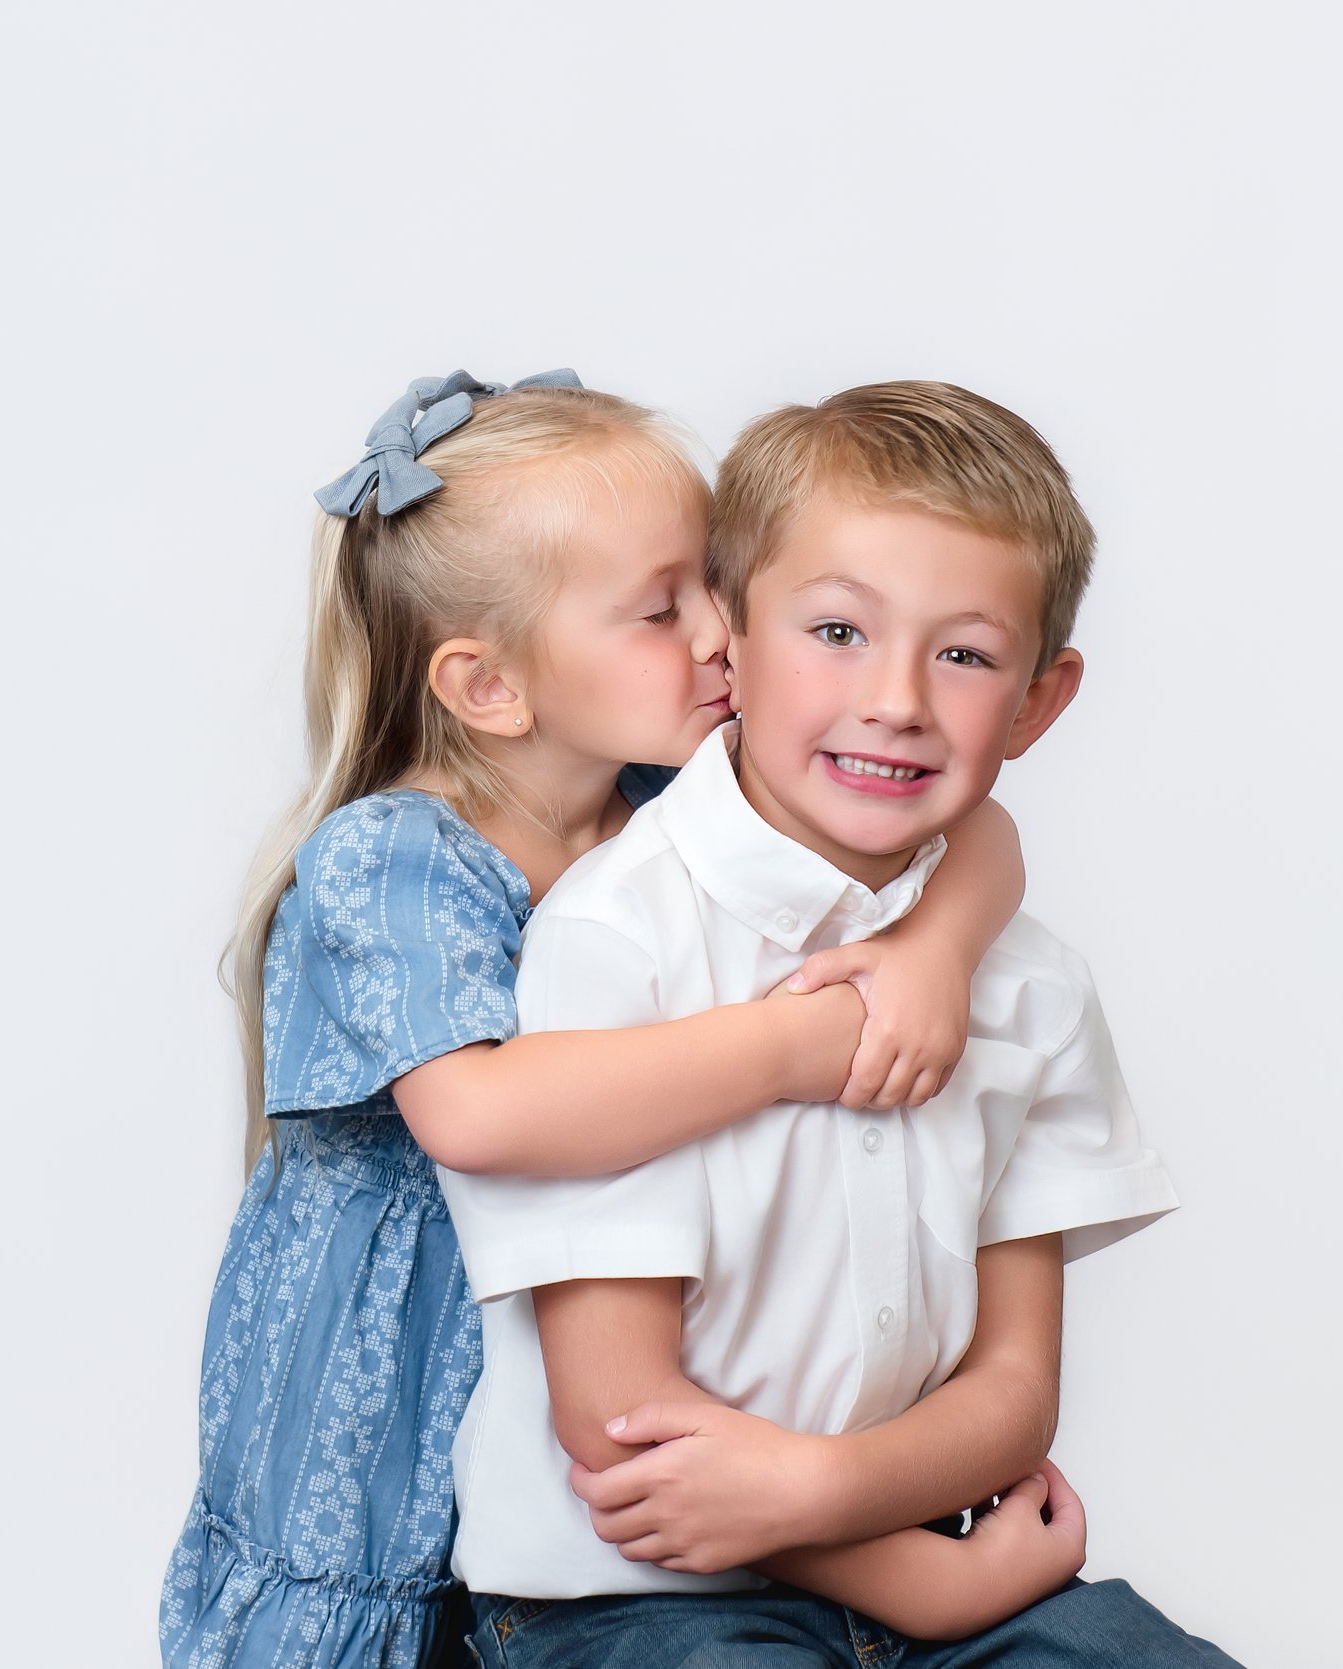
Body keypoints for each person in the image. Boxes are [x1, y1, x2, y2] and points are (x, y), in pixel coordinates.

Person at [158, 371, 1033, 1669]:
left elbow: (975, 820)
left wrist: (933, 949)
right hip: (398, 1398)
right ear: (491, 687)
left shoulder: (667, 803)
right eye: (662, 608)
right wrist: (797, 1043)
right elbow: (480, 1112)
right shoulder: (393, 860)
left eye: (715, 584)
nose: (723, 633)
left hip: (596, 1388)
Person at [437, 382, 1245, 1665]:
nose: (897, 699)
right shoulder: (616, 940)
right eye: (836, 631)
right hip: (631, 1596)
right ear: (729, 640)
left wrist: (839, 1503)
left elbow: (1013, 1389)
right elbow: (620, 1430)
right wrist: (916, 1583)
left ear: (1037, 702)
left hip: (930, 1558)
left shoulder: (1025, 986)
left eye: (964, 655)